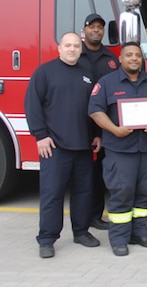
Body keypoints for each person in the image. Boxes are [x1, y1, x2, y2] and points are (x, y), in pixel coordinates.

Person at [88, 42, 147, 257]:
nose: (134, 58)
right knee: (122, 192)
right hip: (120, 150)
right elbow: (95, 111)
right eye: (129, 55)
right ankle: (119, 238)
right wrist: (114, 129)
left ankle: (139, 233)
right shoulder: (107, 83)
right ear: (120, 59)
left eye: (138, 55)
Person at [25, 32, 101, 259]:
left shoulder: (87, 75)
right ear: (59, 48)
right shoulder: (44, 72)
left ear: (81, 49)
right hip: (55, 147)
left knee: (84, 193)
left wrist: (97, 134)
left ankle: (81, 231)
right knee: (52, 194)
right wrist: (40, 136)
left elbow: (94, 108)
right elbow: (32, 105)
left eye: (76, 46)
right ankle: (47, 238)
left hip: (83, 147)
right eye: (68, 45)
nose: (72, 49)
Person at [79, 13, 119, 231]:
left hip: (103, 128)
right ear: (84, 30)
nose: (96, 30)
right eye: (91, 27)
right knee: (81, 175)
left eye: (100, 27)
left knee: (98, 177)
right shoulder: (76, 55)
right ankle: (82, 219)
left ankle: (95, 216)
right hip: (77, 125)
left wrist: (102, 132)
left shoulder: (111, 58)